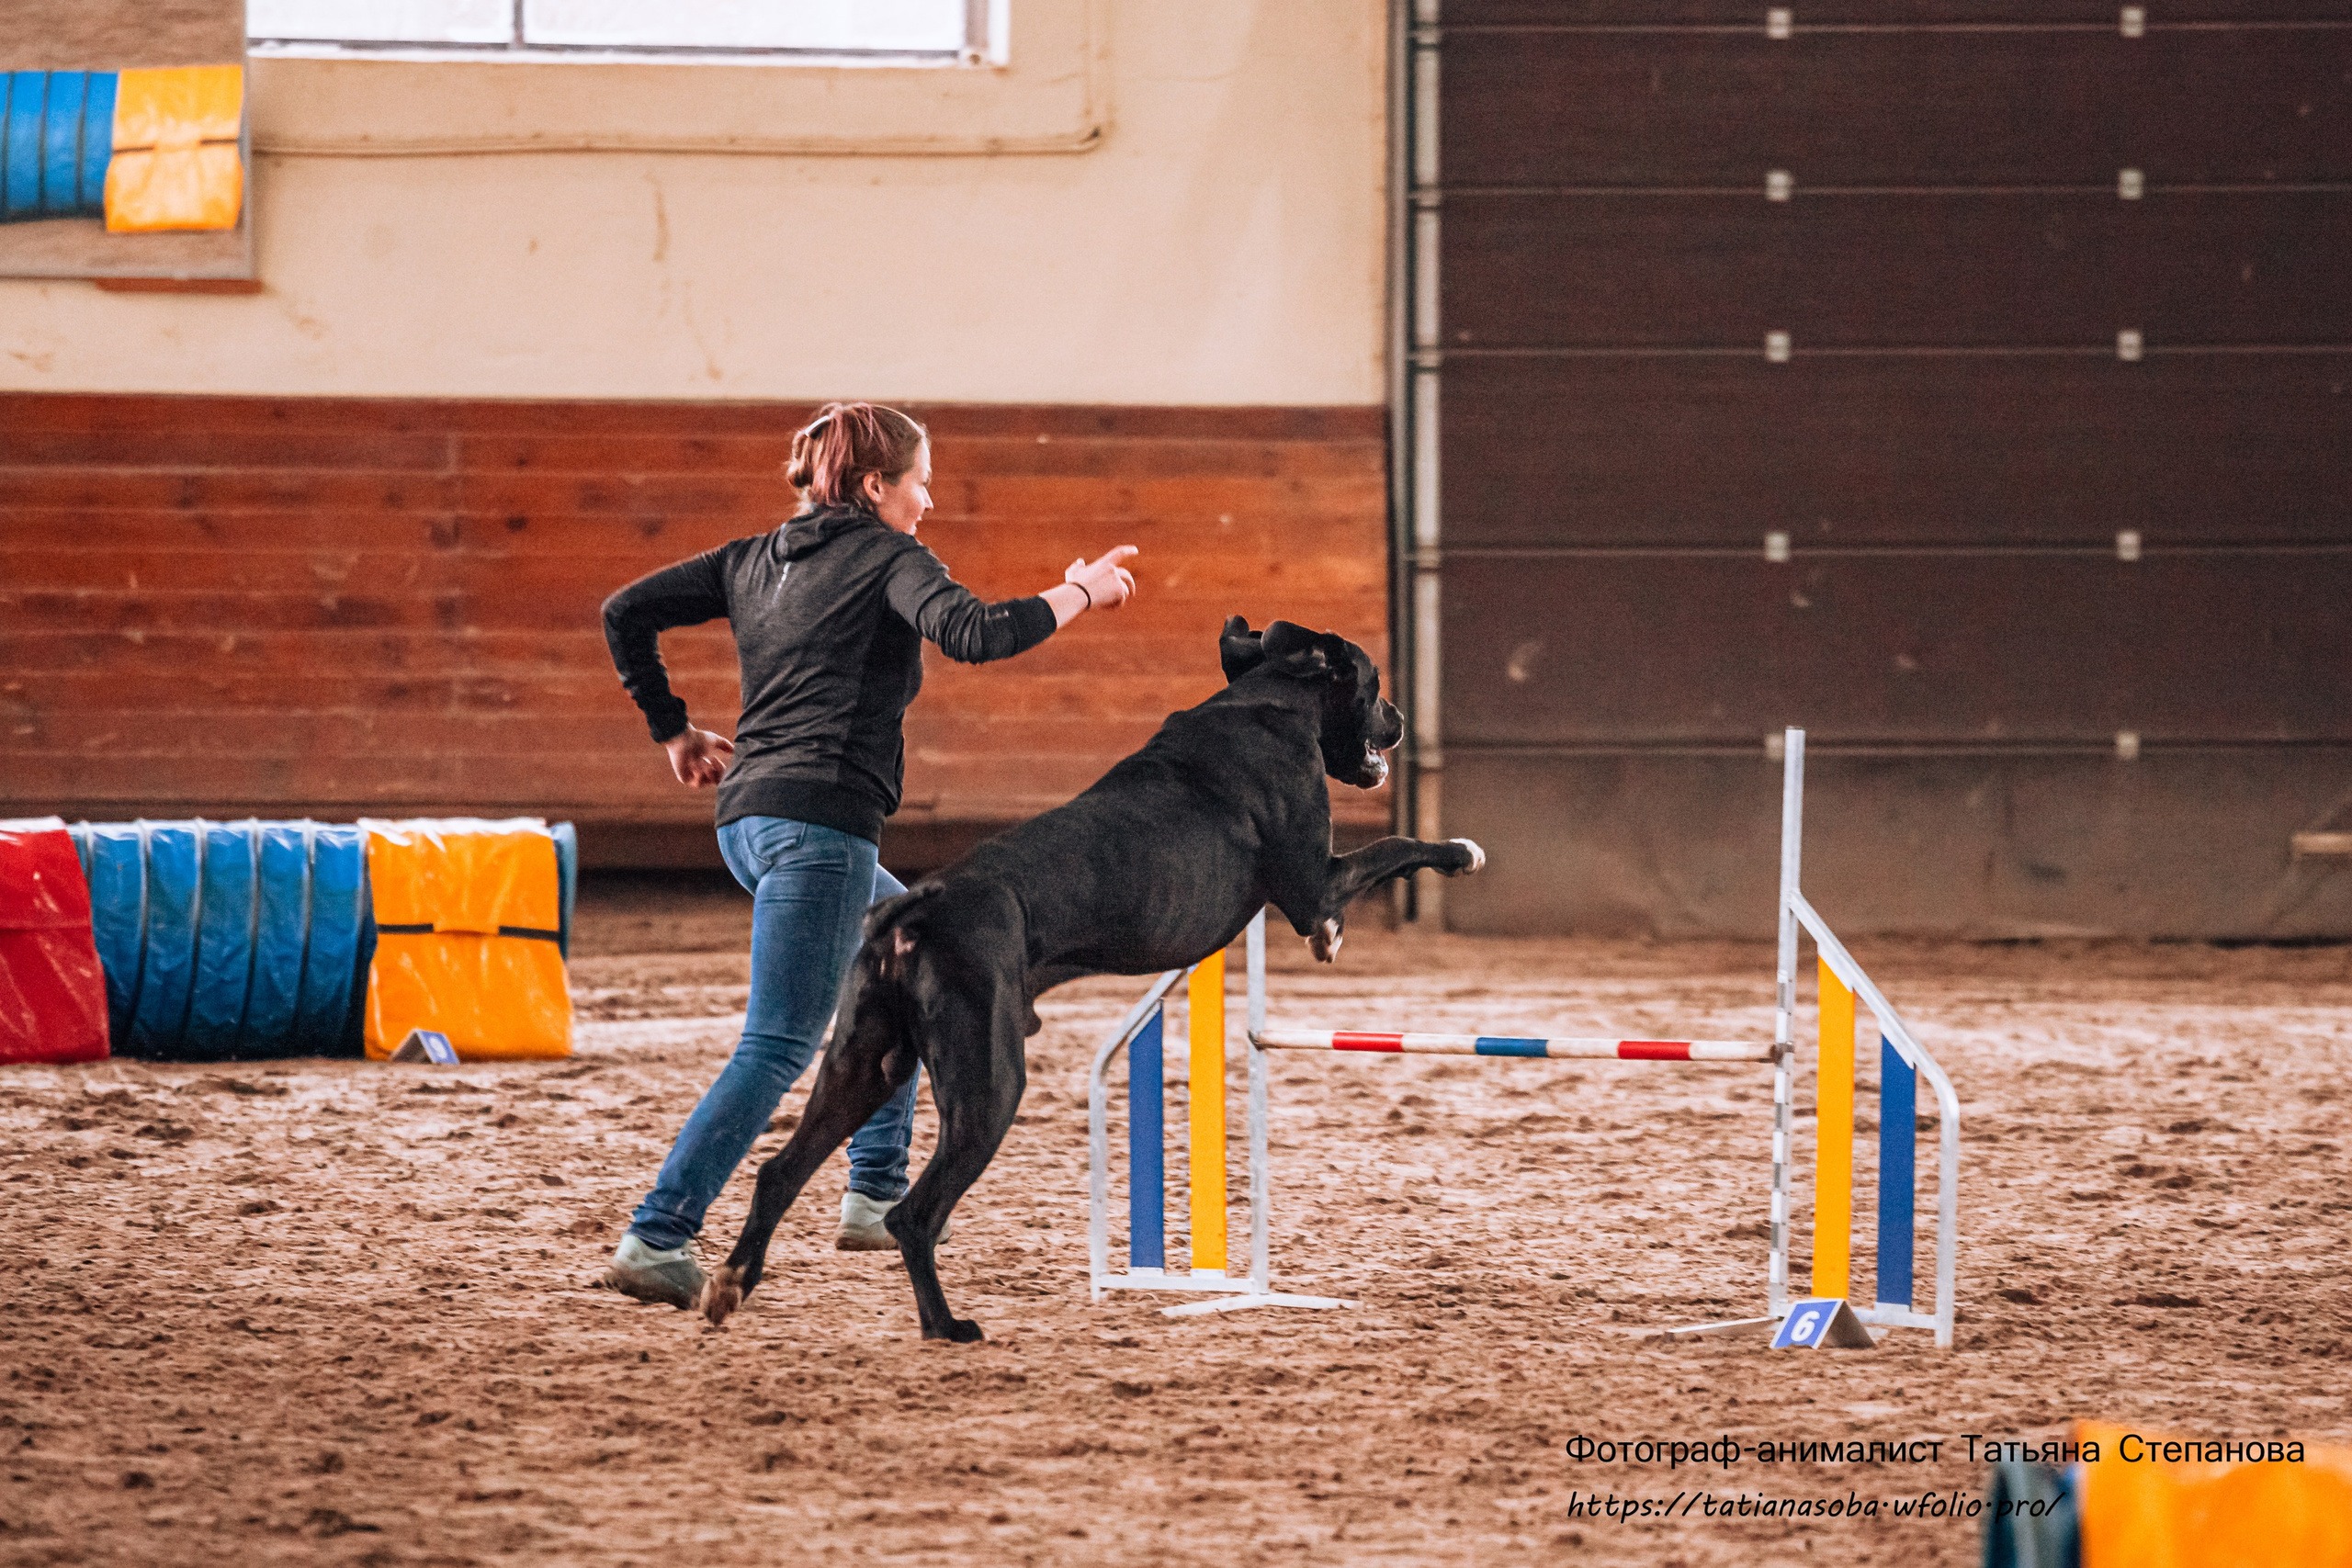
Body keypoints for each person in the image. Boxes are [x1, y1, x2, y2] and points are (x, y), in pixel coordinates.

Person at [596, 401, 1138, 1308]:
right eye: (920, 481)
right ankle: (657, 1237)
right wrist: (1078, 590)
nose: (927, 500)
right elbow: (977, 634)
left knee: (909, 949)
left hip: (747, 825)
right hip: (818, 829)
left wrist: (673, 732)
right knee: (777, 1044)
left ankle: (878, 1195)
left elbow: (625, 613)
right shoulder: (890, 558)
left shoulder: (750, 559)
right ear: (877, 485)